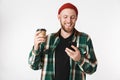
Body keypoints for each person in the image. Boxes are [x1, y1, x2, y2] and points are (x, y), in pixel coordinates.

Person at [28, 2, 97, 80]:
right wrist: (36, 48)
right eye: (65, 17)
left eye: (72, 17)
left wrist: (79, 59)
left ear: (76, 18)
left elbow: (93, 68)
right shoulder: (47, 39)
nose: (69, 21)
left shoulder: (85, 39)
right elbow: (34, 66)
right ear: (59, 17)